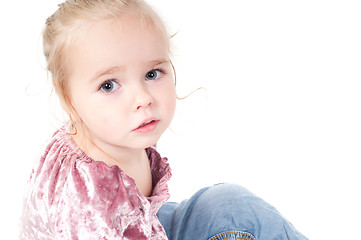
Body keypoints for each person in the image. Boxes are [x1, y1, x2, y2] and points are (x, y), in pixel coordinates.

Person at [20, 0, 308, 239]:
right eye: (109, 85)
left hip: (143, 224)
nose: (142, 98)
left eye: (152, 74)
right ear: (69, 100)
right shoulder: (89, 205)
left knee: (231, 206)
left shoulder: (107, 131)